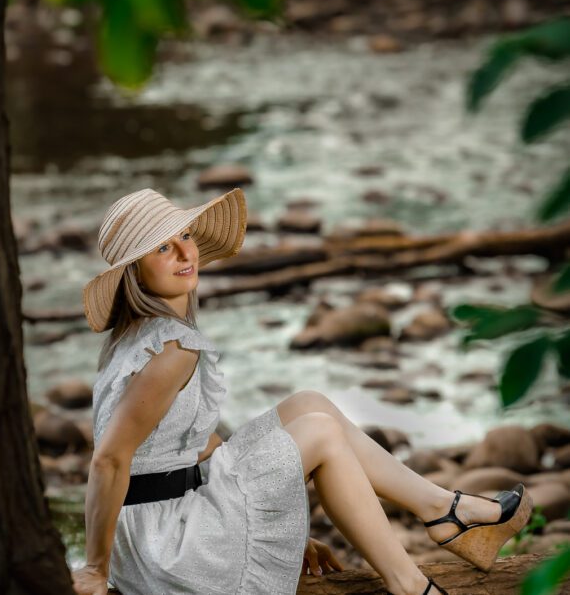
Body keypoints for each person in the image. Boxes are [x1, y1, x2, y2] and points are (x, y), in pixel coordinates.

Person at [70, 187, 533, 595]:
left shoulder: (138, 337)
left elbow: (186, 444)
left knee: (309, 404)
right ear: (135, 273)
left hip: (160, 522)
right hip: (167, 544)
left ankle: (442, 510)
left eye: (184, 237)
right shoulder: (172, 349)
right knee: (320, 431)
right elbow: (109, 459)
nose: (184, 253)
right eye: (162, 248)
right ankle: (412, 582)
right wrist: (95, 569)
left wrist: (272, 520)